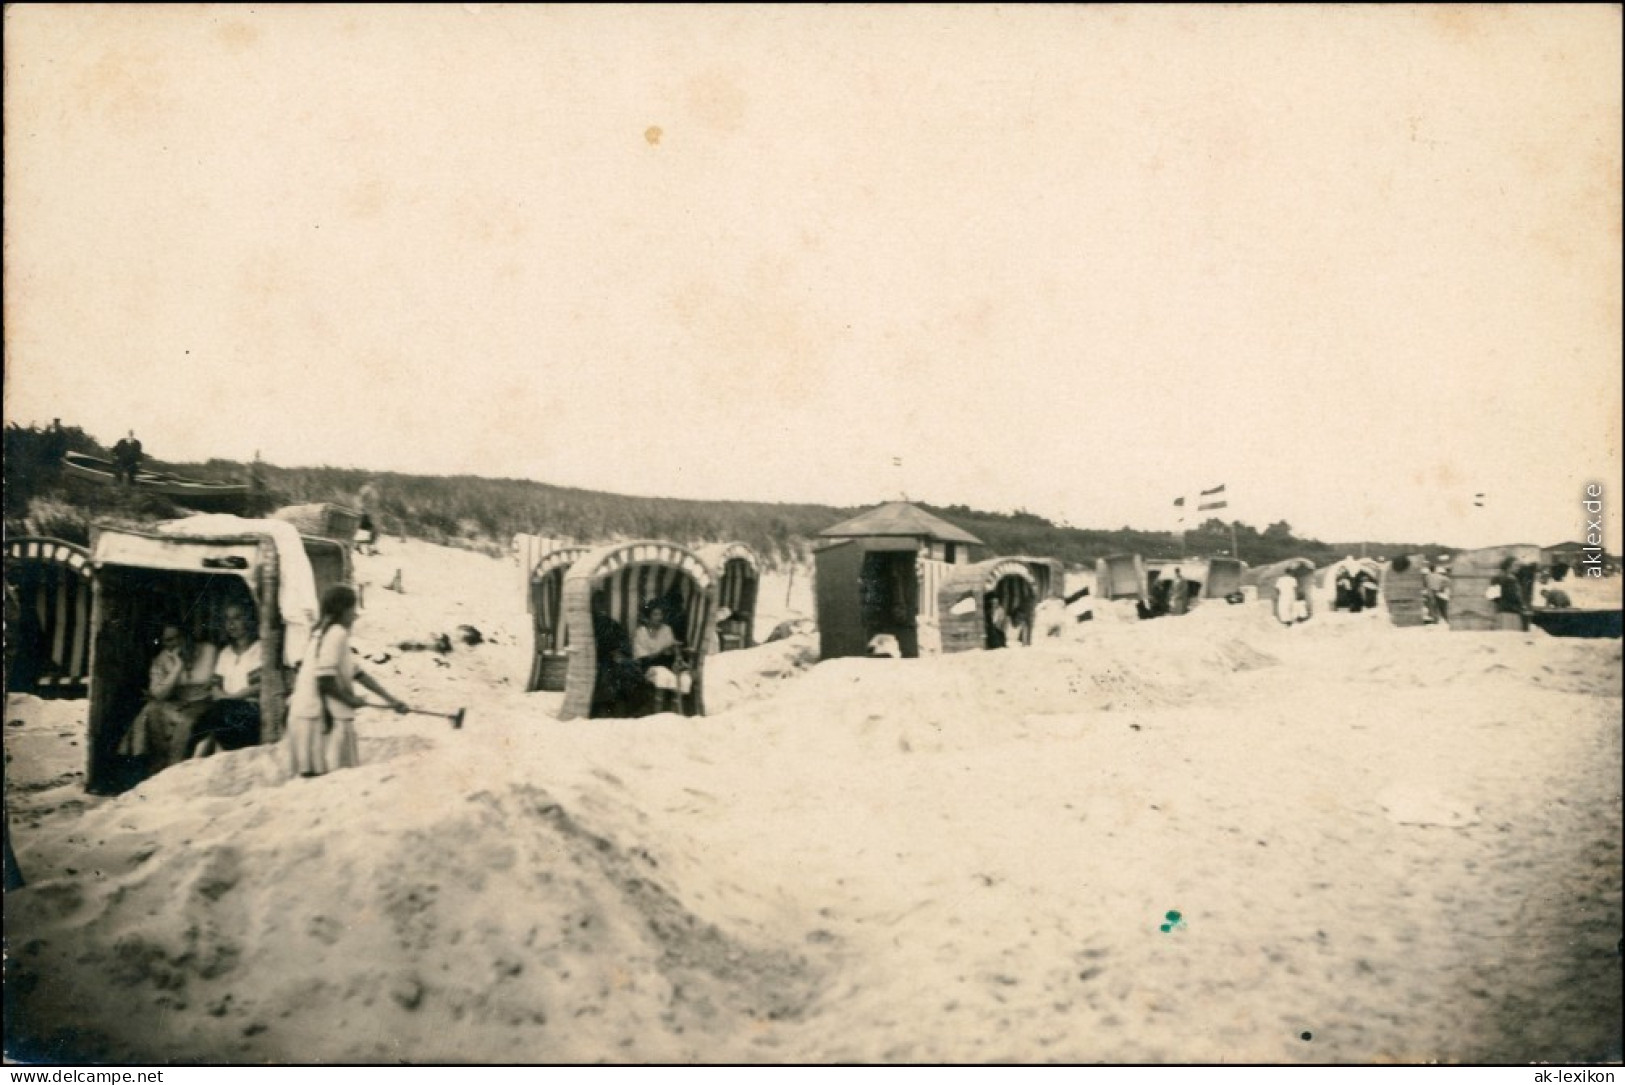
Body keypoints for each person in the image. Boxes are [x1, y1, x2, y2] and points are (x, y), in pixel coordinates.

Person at [284, 586, 407, 778]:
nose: (355, 615)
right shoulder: (336, 634)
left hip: (305, 715)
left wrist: (391, 700)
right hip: (317, 718)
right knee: (328, 779)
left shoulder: (322, 633)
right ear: (342, 610)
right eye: (352, 609)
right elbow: (324, 680)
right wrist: (350, 700)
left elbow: (358, 674)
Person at [117, 622, 218, 773]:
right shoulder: (161, 659)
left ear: (187, 635)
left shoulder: (208, 650)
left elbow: (213, 681)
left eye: (178, 637)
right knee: (150, 711)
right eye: (168, 640)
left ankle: (173, 768)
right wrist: (177, 667)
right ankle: (155, 764)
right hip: (175, 703)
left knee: (185, 722)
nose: (175, 643)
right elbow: (158, 694)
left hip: (203, 702)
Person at [187, 601, 264, 757]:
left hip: (249, 709)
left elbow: (258, 687)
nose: (231, 624)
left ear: (248, 620)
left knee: (215, 717)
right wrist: (223, 698)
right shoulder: (225, 653)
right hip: (224, 710)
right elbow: (215, 686)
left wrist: (230, 698)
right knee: (210, 719)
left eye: (237, 618)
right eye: (227, 620)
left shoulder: (259, 649)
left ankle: (195, 759)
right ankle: (196, 758)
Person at [590, 590, 644, 717]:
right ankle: (603, 709)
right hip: (594, 658)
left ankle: (626, 710)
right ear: (591, 605)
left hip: (612, 657)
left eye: (602, 603)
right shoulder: (587, 624)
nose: (600, 606)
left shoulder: (611, 623)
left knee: (630, 668)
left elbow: (622, 641)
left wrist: (620, 652)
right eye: (597, 603)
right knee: (605, 672)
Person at [633, 600, 693, 713]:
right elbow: (642, 657)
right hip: (648, 664)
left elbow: (671, 649)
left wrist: (673, 650)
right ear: (648, 617)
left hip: (666, 662)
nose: (659, 617)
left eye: (660, 614)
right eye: (655, 614)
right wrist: (662, 652)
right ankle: (658, 711)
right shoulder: (641, 632)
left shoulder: (666, 629)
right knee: (661, 673)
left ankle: (674, 710)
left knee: (682, 676)